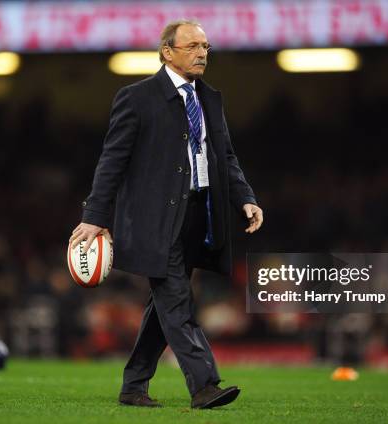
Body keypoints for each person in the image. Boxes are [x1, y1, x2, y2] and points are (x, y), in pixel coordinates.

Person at [69, 19, 263, 409]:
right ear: (167, 52)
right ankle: (205, 385)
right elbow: (113, 161)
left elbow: (224, 155)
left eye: (205, 46)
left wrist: (245, 196)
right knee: (176, 299)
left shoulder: (210, 99)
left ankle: (133, 385)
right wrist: (94, 214)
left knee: (164, 306)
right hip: (155, 219)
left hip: (199, 214)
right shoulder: (136, 98)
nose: (202, 53)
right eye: (192, 46)